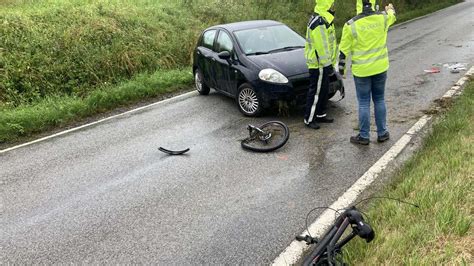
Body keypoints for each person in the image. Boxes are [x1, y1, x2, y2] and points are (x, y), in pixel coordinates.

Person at [338, 0, 396, 145]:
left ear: (359, 5)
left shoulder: (351, 25)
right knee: (379, 99)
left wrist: (341, 71)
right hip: (380, 67)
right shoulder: (382, 18)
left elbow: (343, 52)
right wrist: (390, 9)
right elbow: (392, 16)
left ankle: (364, 136)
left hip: (362, 71)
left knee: (364, 103)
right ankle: (382, 133)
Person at [303, 0, 337, 129]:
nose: (333, 7)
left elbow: (329, 43)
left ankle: (321, 114)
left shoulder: (324, 20)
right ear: (326, 5)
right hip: (318, 64)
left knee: (323, 90)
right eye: (331, 4)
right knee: (316, 92)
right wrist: (327, 64)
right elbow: (321, 46)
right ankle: (309, 118)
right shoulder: (319, 22)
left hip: (323, 63)